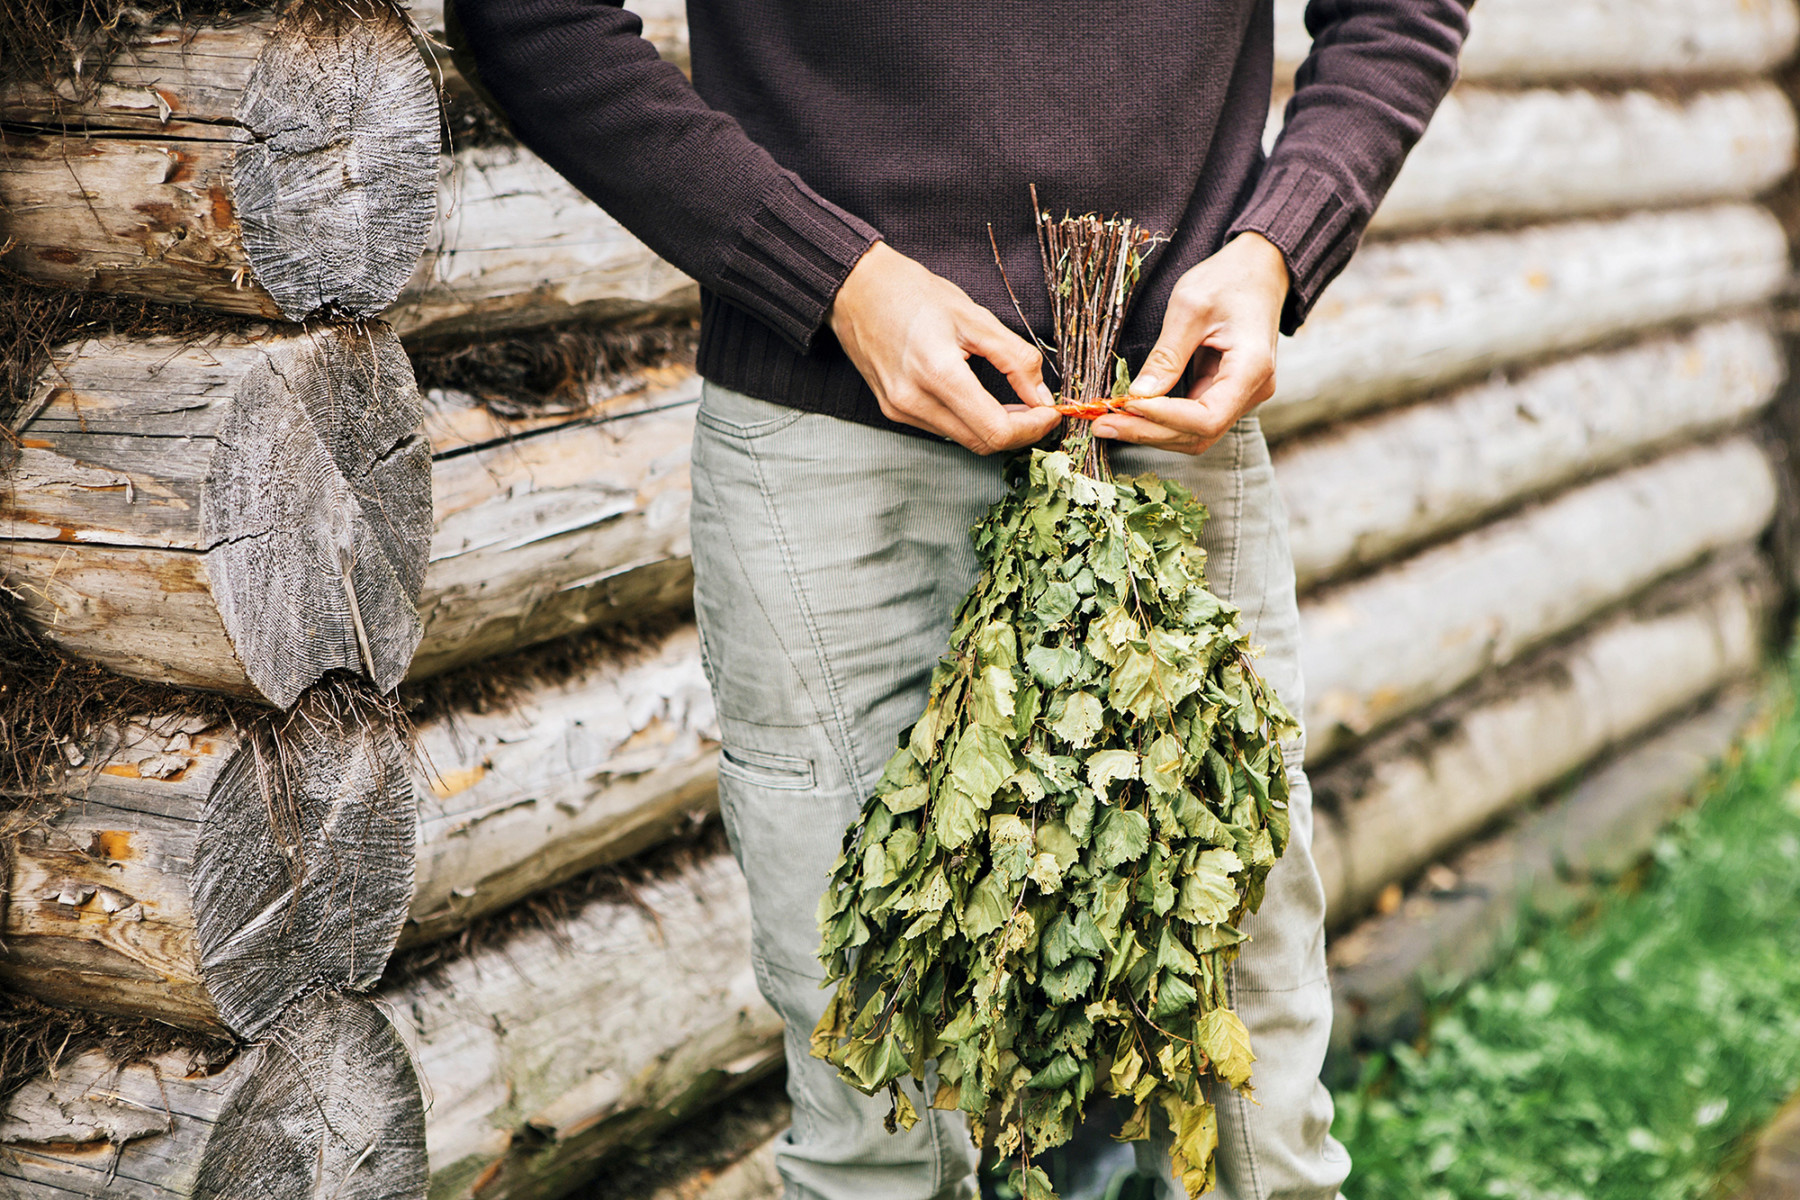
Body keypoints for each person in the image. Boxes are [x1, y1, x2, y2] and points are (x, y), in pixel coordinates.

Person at [451, 2, 1469, 1196]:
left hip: (1158, 414)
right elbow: (525, 17)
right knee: (875, 1105)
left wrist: (1276, 243)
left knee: (1248, 1084)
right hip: (830, 425)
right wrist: (831, 277)